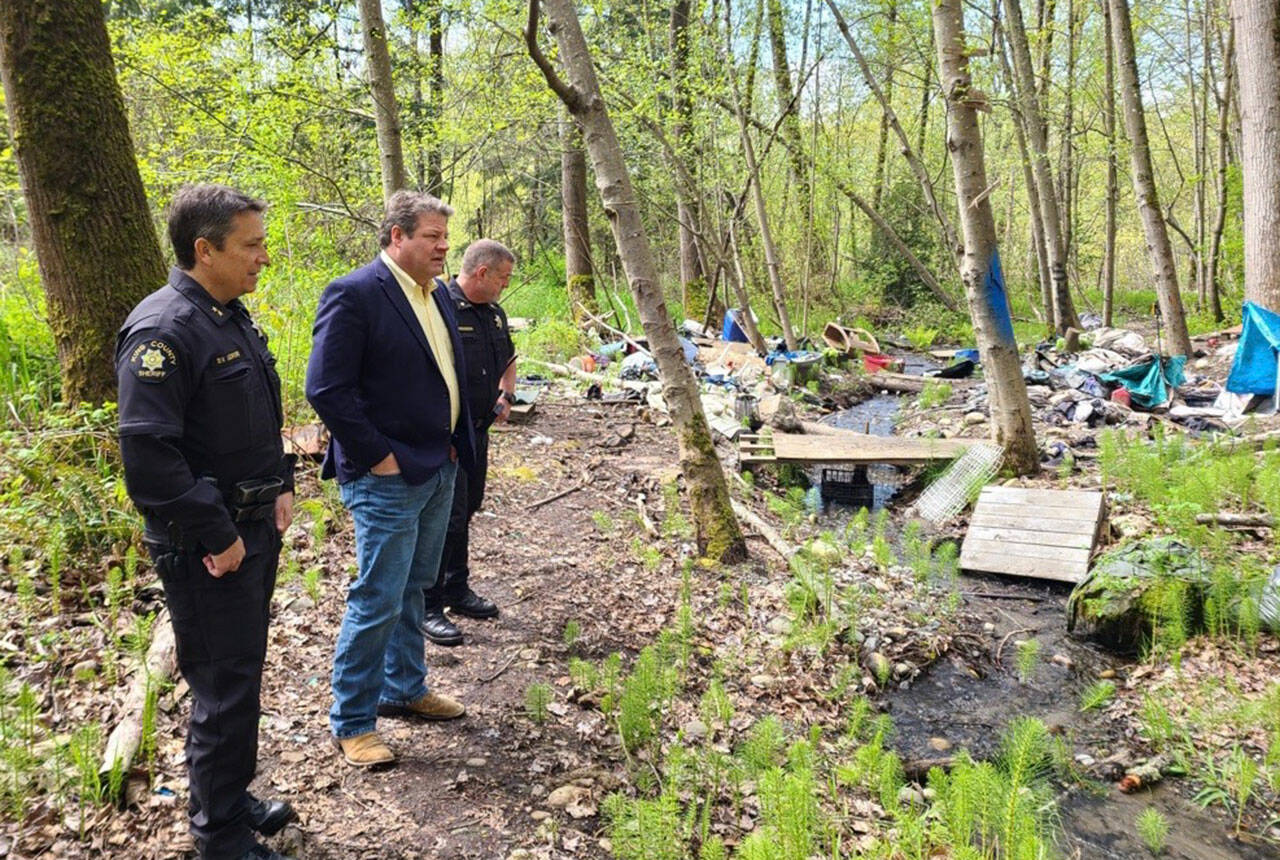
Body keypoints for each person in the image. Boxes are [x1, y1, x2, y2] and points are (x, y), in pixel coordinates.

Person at [116, 184, 297, 860]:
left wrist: (282, 483)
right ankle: (218, 834)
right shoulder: (163, 330)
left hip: (249, 528)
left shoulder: (229, 315)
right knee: (222, 683)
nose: (263, 257)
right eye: (250, 245)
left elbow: (255, 416)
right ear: (205, 248)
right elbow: (149, 460)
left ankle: (228, 795)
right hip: (207, 544)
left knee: (240, 672)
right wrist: (218, 534)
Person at [305, 190, 475, 768]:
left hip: (437, 464)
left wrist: (454, 444)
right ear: (397, 236)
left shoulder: (438, 296)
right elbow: (326, 388)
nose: (443, 246)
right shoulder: (355, 295)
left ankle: (404, 687)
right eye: (432, 236)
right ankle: (353, 720)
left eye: (445, 237)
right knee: (377, 595)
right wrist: (378, 456)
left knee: (413, 586)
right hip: (387, 476)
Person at [421, 240, 516, 646]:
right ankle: (428, 604)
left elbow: (509, 359)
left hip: (479, 431)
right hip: (448, 436)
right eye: (503, 279)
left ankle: (458, 589)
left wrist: (506, 395)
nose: (504, 286)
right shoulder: (440, 305)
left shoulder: (494, 313)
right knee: (445, 517)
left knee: (468, 509)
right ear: (482, 274)